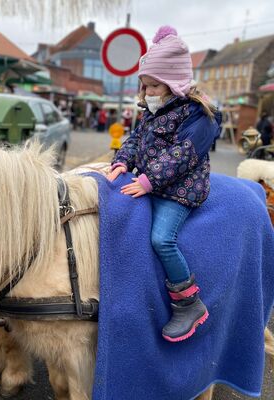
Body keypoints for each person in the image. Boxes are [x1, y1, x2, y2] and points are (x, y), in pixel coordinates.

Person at [107, 26, 221, 342]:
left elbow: (182, 155)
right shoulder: (154, 111)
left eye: (153, 86)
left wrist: (147, 181)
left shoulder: (198, 114)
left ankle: (188, 303)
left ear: (172, 84)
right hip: (151, 181)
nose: (146, 93)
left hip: (180, 189)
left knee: (161, 239)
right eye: (144, 86)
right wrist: (121, 162)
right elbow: (136, 139)